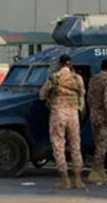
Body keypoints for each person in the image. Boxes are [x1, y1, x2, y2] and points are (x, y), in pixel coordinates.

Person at [39, 54, 86, 190]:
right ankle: (78, 179)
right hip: (73, 114)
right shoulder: (77, 78)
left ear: (60, 64)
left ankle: (65, 180)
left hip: (58, 114)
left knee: (58, 145)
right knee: (75, 146)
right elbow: (82, 93)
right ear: (70, 64)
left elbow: (42, 95)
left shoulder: (54, 77)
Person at [86, 59, 107, 184]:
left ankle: (100, 171)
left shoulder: (93, 79)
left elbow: (88, 97)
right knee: (102, 145)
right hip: (103, 116)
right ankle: (96, 171)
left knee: (97, 143)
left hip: (94, 114)